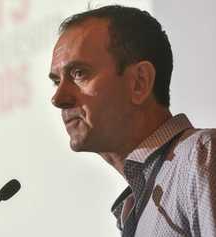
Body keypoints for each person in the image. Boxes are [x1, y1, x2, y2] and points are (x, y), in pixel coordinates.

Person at [49, 5, 216, 237]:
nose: (58, 98)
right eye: (56, 81)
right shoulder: (137, 206)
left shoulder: (201, 158)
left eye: (79, 73)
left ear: (139, 82)